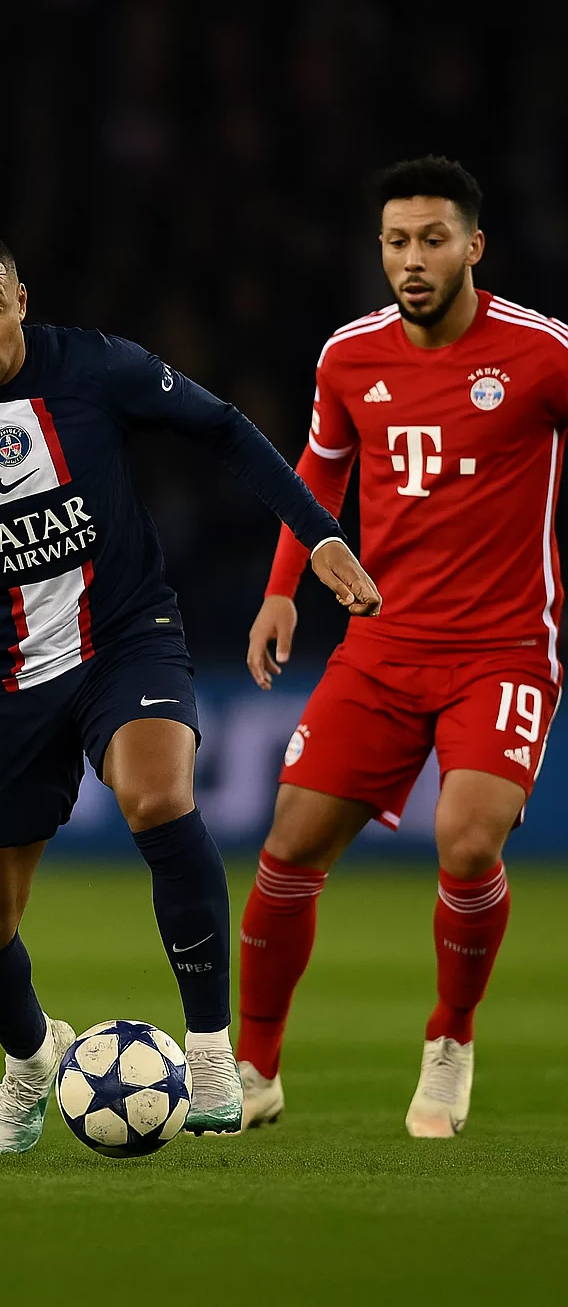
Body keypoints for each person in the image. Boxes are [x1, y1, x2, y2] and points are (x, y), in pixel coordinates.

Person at [0, 227, 380, 1152]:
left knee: (158, 796)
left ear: (21, 302)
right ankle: (34, 1060)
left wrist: (317, 535)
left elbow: (224, 427)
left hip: (127, 639)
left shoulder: (97, 368)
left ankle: (206, 1050)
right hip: (0, 684)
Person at [240, 155, 566, 1138]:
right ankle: (253, 1068)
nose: (411, 260)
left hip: (504, 648)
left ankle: (450, 1037)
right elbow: (316, 473)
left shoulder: (542, 354)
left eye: (431, 240)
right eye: (395, 242)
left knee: (465, 841)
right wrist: (280, 593)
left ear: (473, 247)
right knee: (287, 845)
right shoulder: (349, 358)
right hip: (381, 646)